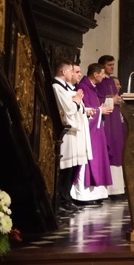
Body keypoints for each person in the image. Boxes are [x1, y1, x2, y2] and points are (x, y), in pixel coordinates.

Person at [51, 59, 91, 214]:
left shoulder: (67, 88)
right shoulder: (57, 87)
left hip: (73, 131)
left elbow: (75, 106)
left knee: (72, 168)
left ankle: (66, 198)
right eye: (71, 70)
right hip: (66, 133)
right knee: (65, 168)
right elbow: (68, 109)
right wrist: (76, 102)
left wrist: (77, 102)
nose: (74, 74)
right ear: (63, 72)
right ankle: (61, 200)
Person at [72, 63, 113, 205]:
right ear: (95, 74)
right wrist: (100, 111)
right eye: (102, 73)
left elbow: (90, 107)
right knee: (88, 160)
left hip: (95, 130)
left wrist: (99, 109)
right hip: (88, 131)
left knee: (97, 159)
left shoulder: (91, 88)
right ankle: (84, 196)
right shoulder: (83, 87)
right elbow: (83, 109)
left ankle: (96, 194)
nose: (103, 76)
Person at [96, 55, 126, 197]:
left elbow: (113, 98)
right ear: (102, 66)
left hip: (114, 121)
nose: (112, 67)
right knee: (110, 151)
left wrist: (117, 100)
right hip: (106, 121)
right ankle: (110, 190)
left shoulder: (111, 82)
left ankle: (118, 189)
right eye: (109, 65)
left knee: (117, 150)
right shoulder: (100, 82)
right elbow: (98, 99)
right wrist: (111, 100)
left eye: (113, 65)